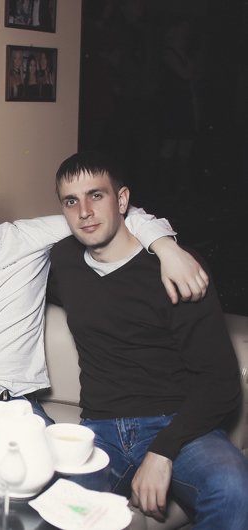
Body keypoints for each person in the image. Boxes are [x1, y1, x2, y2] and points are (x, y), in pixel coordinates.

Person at [0, 153, 209, 423]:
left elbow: (114, 214)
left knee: (57, 471)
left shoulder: (29, 239)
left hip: (15, 405)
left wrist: (165, 246)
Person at [48, 152, 248, 528]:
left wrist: (162, 452)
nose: (84, 212)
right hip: (100, 428)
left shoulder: (178, 268)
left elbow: (221, 382)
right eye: (71, 201)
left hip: (179, 425)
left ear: (122, 199)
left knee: (234, 488)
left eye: (96, 195)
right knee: (51, 505)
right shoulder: (63, 260)